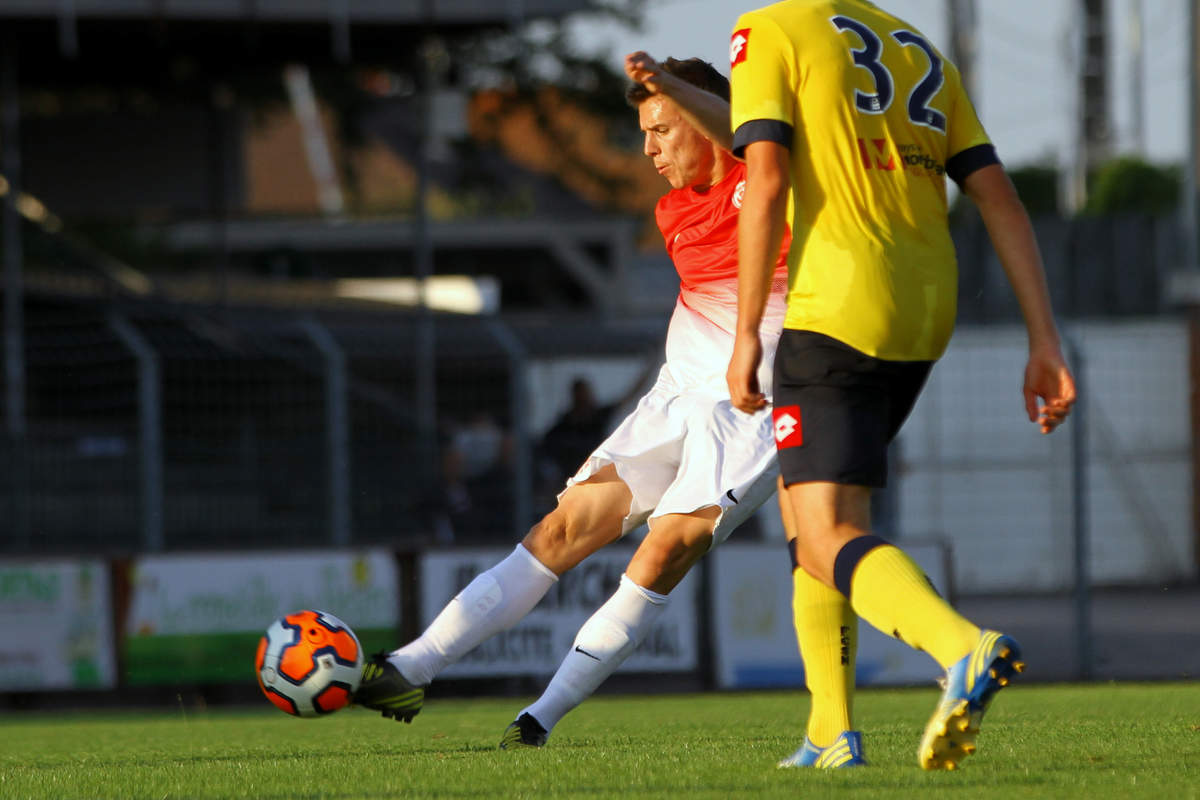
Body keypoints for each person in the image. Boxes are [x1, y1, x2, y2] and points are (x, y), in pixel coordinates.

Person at [353, 54, 801, 750]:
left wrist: (680, 89)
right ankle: (411, 666)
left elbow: (750, 132)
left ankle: (539, 720)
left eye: (661, 130)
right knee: (562, 528)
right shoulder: (672, 208)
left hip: (751, 408)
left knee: (659, 552)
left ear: (710, 124)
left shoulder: (772, 178)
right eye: (643, 132)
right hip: (675, 398)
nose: (647, 149)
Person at [724, 0, 1077, 771]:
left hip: (837, 303)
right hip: (925, 308)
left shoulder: (770, 29)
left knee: (824, 532)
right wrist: (1043, 339)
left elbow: (768, 174)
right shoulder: (918, 49)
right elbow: (1000, 200)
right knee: (813, 516)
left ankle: (964, 649)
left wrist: (747, 329)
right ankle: (830, 732)